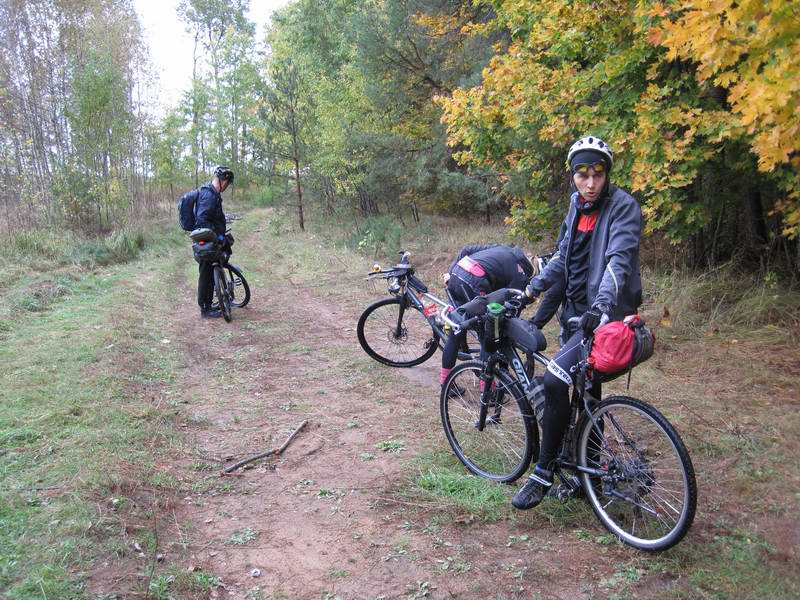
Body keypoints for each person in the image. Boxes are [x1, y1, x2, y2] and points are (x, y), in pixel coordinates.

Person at [512, 135, 642, 510]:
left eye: (597, 174)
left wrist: (601, 308)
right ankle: (590, 479)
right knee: (586, 394)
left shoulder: (623, 208)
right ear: (573, 176)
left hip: (605, 316)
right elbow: (562, 256)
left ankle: (543, 472)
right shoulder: (576, 206)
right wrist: (531, 290)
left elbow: (618, 261)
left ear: (607, 174)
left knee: (555, 380)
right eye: (582, 174)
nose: (589, 183)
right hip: (575, 314)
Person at [440, 244, 534, 387]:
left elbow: (467, 250)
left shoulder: (502, 248)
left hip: (456, 273)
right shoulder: (521, 276)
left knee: (456, 330)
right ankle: (488, 388)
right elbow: (512, 307)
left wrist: (451, 270)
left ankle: (445, 382)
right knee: (488, 331)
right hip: (475, 282)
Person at [196, 166, 235, 318]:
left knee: (213, 267)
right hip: (206, 240)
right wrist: (216, 235)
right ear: (221, 180)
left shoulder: (213, 193)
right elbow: (202, 219)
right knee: (205, 274)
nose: (227, 186)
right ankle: (205, 309)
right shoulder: (209, 195)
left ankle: (211, 301)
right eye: (227, 182)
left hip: (211, 238)